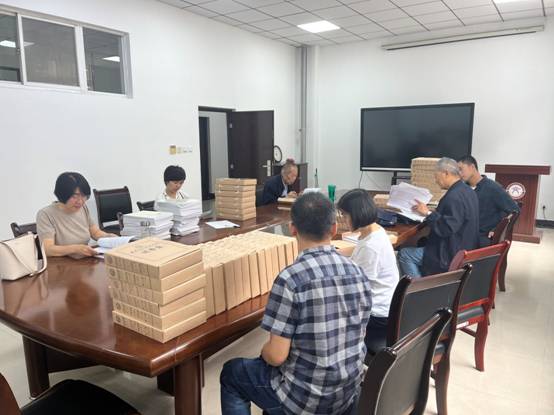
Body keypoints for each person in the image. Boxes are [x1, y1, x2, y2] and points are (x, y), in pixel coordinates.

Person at [220, 193, 372, 415]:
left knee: (232, 373)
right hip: (347, 394)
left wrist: (264, 351)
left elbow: (276, 356)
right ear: (333, 229)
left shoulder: (290, 279)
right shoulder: (358, 272)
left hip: (304, 402)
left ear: (292, 229)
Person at [337, 189, 399, 347]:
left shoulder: (371, 246)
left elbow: (356, 288)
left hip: (376, 315)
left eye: (344, 215)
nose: (343, 220)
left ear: (356, 214)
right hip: (384, 304)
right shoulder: (375, 231)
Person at [397, 158, 479, 277]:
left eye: (436, 176)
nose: (435, 181)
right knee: (421, 241)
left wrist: (428, 213)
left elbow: (446, 228)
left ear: (446, 173)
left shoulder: (453, 197)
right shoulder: (468, 191)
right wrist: (430, 213)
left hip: (449, 255)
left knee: (405, 254)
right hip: (465, 248)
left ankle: (420, 287)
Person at [36, 172, 116, 258]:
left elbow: (95, 232)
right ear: (63, 195)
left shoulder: (83, 208)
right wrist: (75, 249)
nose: (80, 201)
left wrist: (110, 238)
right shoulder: (45, 214)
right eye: (75, 196)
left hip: (84, 259)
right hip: (61, 263)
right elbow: (48, 249)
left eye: (84, 196)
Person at [457, 155, 520, 247]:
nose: (459, 173)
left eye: (461, 169)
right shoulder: (463, 188)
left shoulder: (492, 188)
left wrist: (497, 229)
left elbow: (515, 210)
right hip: (464, 233)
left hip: (479, 238)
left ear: (472, 167)